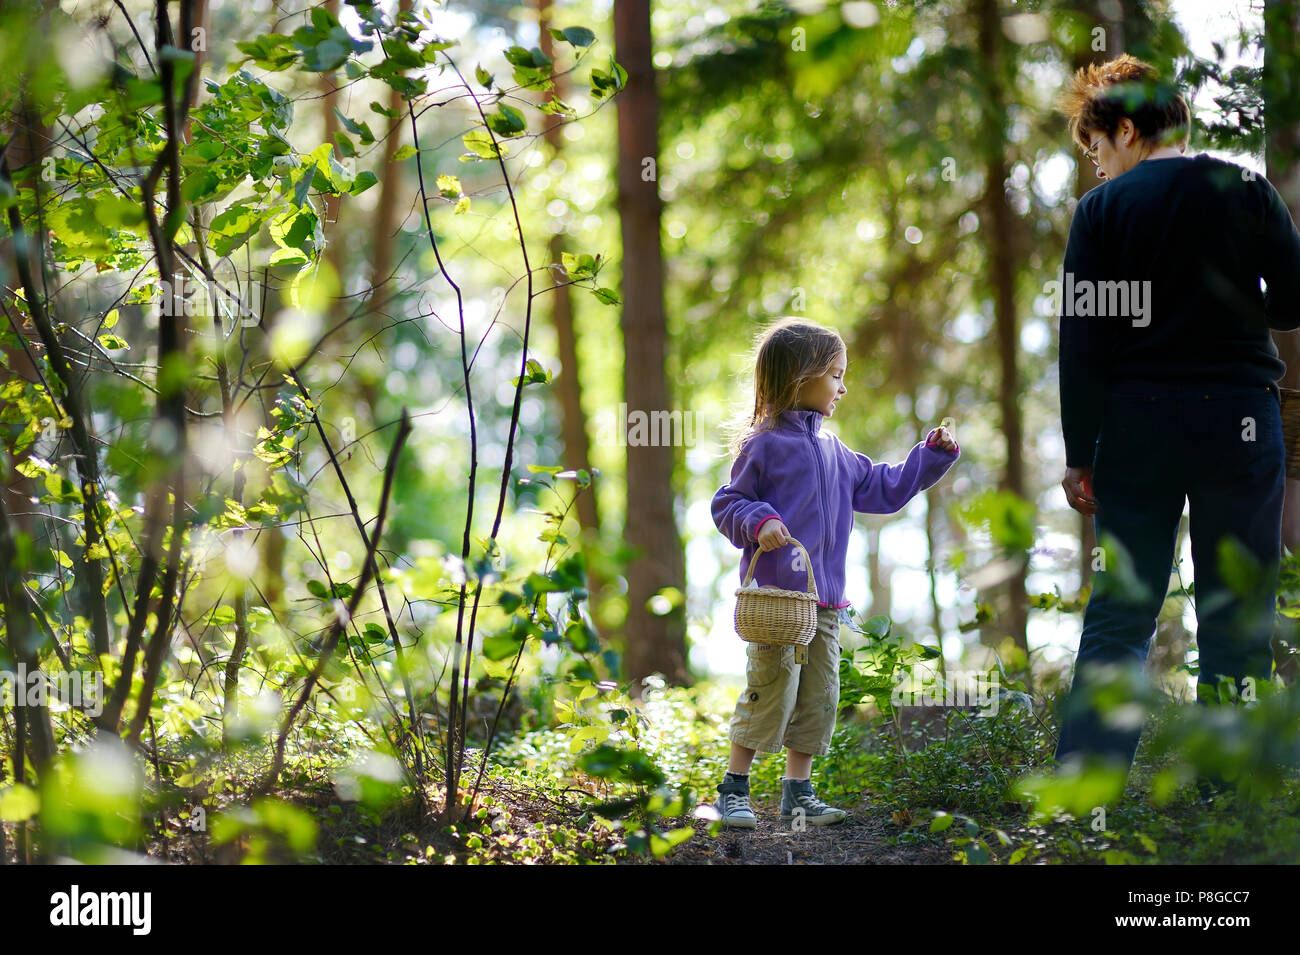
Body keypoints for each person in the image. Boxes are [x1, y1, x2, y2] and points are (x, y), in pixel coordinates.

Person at [1054, 55, 1300, 776]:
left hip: (1138, 426)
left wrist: (1080, 450)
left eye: (1098, 150)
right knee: (1236, 609)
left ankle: (1086, 787)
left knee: (1122, 610)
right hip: (1241, 423)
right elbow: (1291, 303)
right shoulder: (1246, 187)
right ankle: (1229, 801)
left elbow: (1084, 341)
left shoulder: (1099, 213)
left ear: (1125, 131)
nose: (1098, 168)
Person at [710, 317, 960, 828]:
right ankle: (733, 790)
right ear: (801, 377)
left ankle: (797, 793)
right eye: (836, 376)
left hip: (825, 605)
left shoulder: (835, 450)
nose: (844, 387)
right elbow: (727, 503)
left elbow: (884, 489)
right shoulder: (764, 445)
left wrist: (929, 458)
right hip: (779, 602)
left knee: (820, 698)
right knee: (771, 691)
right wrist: (760, 521)